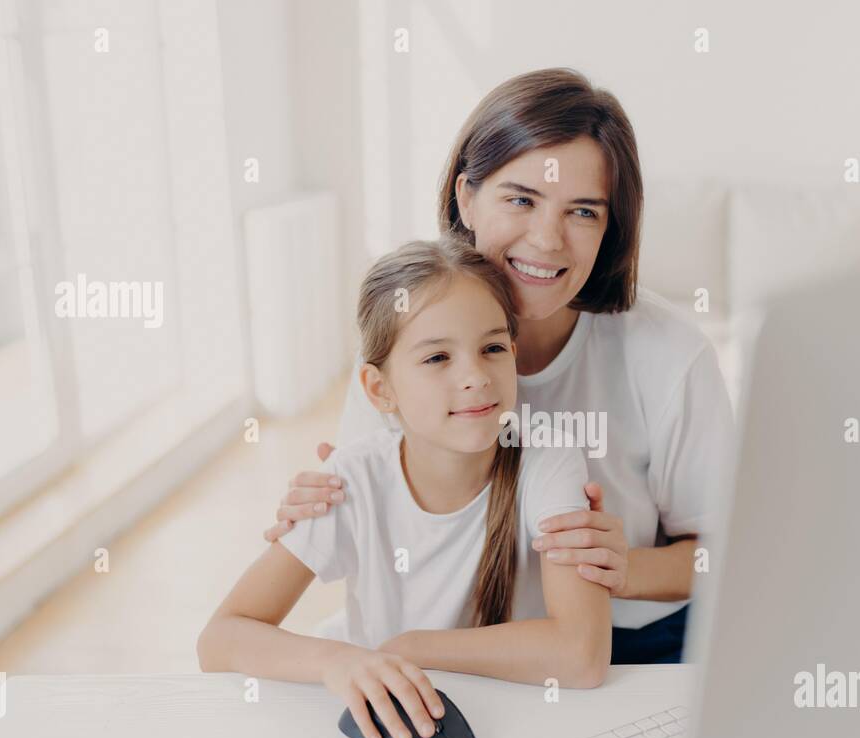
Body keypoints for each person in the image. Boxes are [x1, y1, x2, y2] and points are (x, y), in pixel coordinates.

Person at [265, 68, 733, 665]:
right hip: (463, 639)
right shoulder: (408, 342)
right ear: (466, 198)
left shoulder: (668, 353)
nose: (547, 239)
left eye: (583, 212)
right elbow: (372, 502)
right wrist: (322, 507)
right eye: (520, 200)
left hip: (634, 640)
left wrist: (625, 567)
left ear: (610, 228)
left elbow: (730, 553)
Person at [199, 238, 611, 738]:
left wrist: (410, 648)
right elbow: (220, 638)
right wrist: (340, 660)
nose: (476, 378)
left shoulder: (550, 461)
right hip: (386, 719)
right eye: (438, 357)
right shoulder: (354, 480)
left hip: (511, 717)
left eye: (493, 348)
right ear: (379, 389)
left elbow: (582, 656)